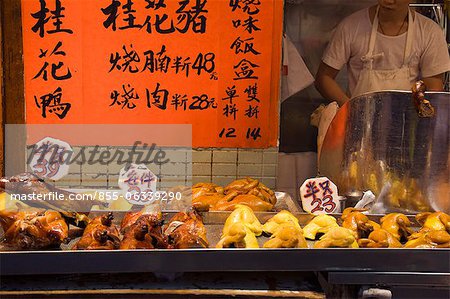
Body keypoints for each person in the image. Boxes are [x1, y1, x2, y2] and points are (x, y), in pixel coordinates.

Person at [315, 0, 450, 106]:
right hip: (359, 126)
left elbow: (434, 90)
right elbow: (323, 78)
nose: (388, 1)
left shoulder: (429, 32)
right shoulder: (351, 26)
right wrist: (351, 108)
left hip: (407, 126)